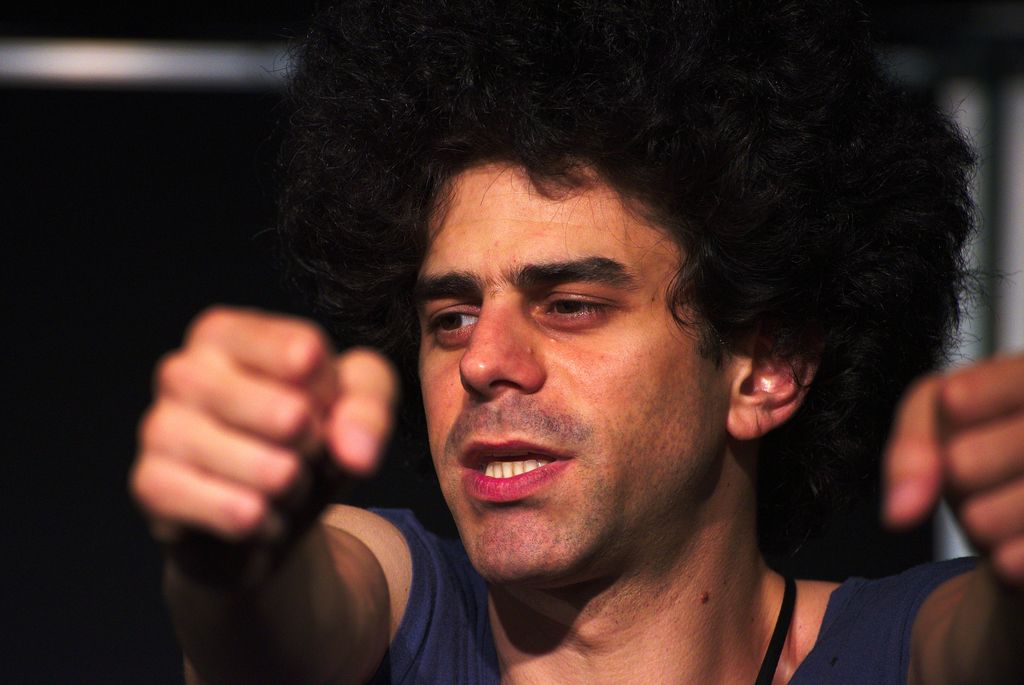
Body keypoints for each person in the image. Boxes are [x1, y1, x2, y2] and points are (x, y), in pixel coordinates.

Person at [130, 1, 1024, 683]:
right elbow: (275, 626)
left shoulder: (904, 646)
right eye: (451, 317)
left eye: (569, 305)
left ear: (767, 368)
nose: (484, 360)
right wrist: (231, 564)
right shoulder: (401, 615)